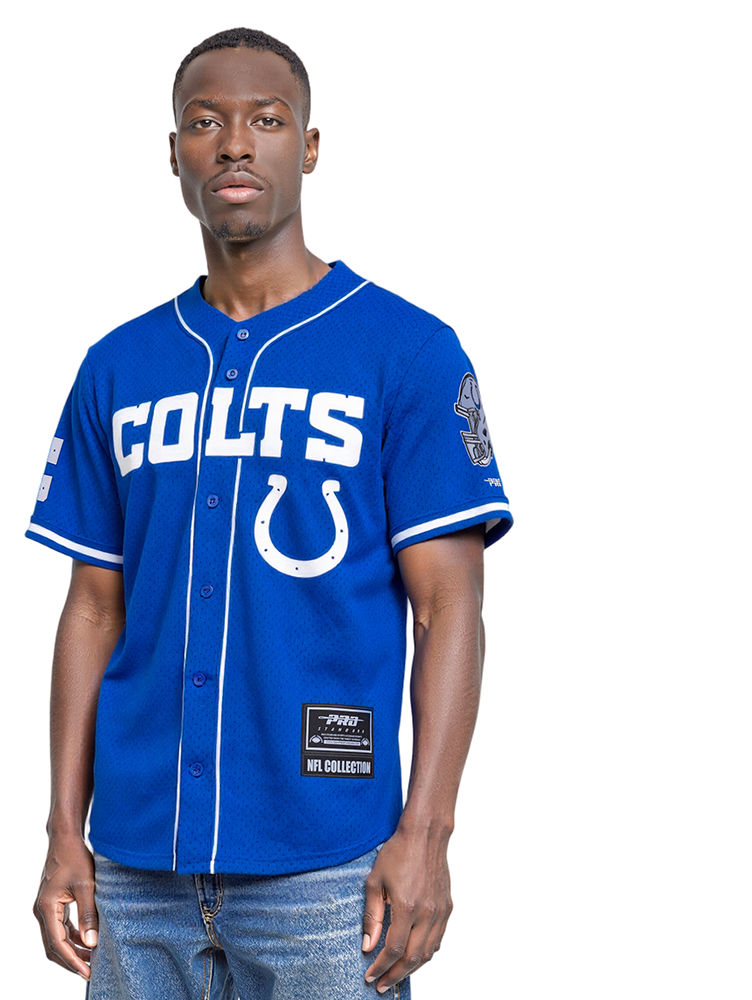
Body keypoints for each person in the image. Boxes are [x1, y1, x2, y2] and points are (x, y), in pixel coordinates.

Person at [27, 27, 512, 999]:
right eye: (205, 122)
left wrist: (426, 834)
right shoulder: (118, 365)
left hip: (328, 870)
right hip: (135, 868)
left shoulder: (407, 350)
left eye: (267, 120)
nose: (235, 144)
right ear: (175, 153)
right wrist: (61, 832)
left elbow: (447, 606)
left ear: (310, 146)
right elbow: (91, 607)